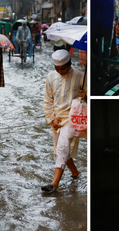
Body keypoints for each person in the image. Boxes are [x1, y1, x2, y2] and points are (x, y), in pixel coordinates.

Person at [42, 49, 87, 193]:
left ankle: (54, 184)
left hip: (72, 119)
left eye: (63, 68)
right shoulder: (50, 77)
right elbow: (47, 100)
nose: (60, 71)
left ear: (69, 64)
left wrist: (86, 96)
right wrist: (51, 119)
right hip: (56, 119)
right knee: (62, 151)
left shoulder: (81, 77)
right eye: (57, 68)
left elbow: (89, 100)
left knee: (62, 148)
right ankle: (75, 172)